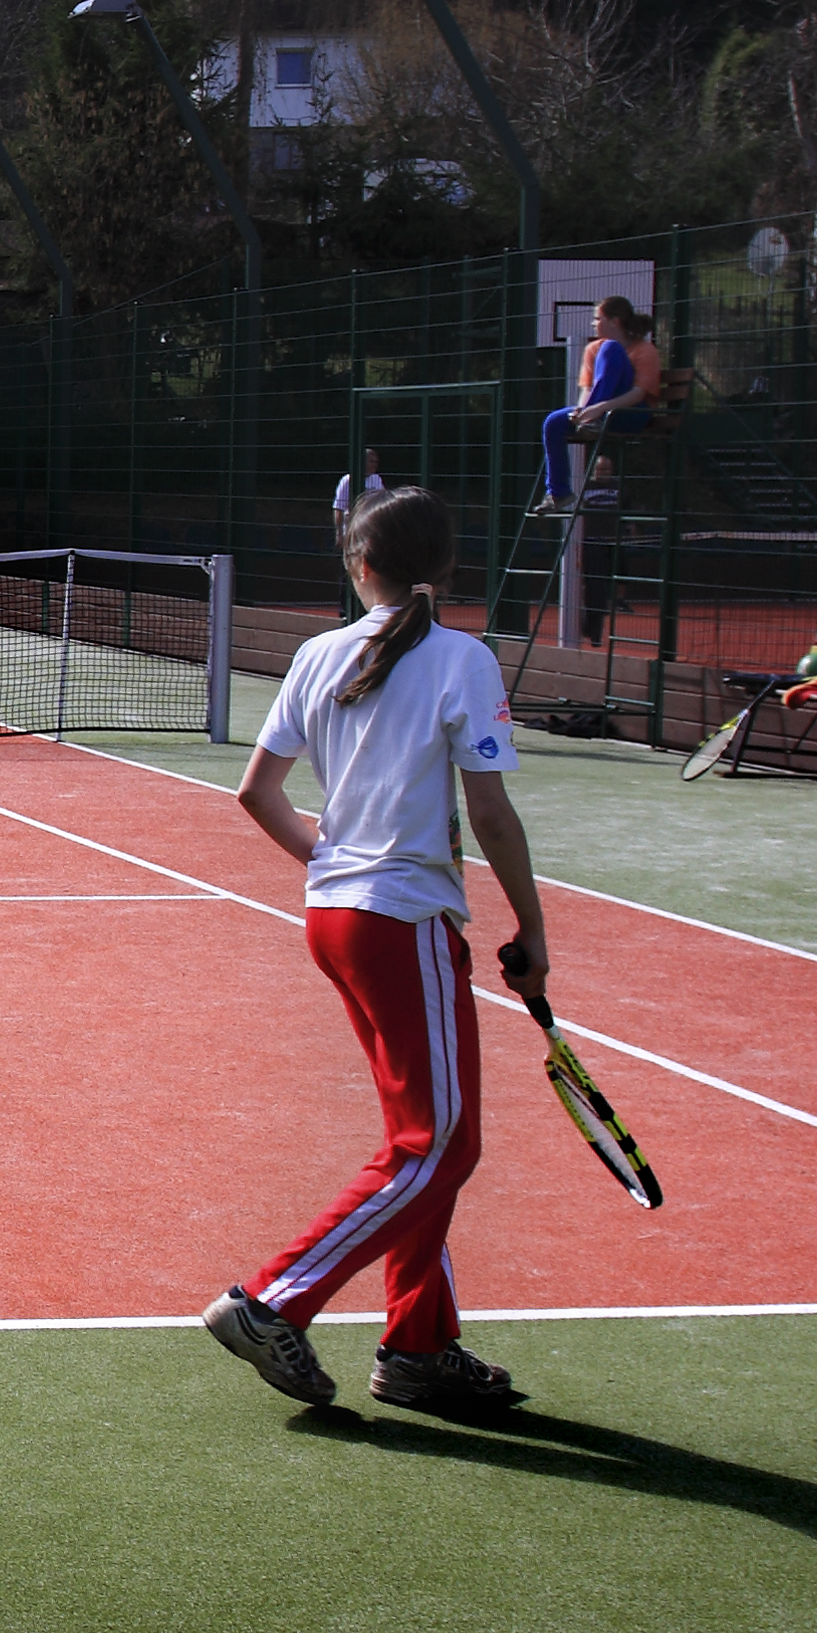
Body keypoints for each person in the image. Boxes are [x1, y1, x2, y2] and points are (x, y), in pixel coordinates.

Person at [204, 486, 548, 1415]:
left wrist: (335, 865)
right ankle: (272, 1300)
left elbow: (255, 793)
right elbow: (489, 813)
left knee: (416, 1141)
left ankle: (419, 1348)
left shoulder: (317, 653)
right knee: (442, 1145)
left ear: (361, 566)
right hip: (401, 920)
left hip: (337, 918)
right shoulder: (463, 658)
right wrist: (533, 928)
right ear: (446, 568)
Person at [533, 297, 655, 515]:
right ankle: (559, 493)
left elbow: (638, 394)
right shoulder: (592, 349)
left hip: (630, 412)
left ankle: (593, 419)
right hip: (597, 413)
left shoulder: (644, 350)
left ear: (615, 321)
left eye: (598, 319)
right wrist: (582, 410)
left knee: (610, 348)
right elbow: (588, 388)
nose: (593, 324)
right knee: (553, 422)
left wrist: (598, 410)